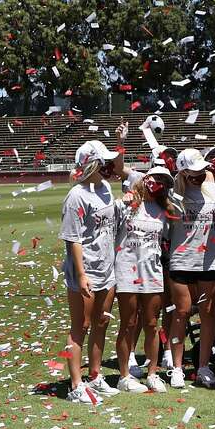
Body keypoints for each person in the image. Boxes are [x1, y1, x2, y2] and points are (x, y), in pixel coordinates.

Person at [59, 140, 123, 404]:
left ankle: (95, 377)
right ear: (93, 164)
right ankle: (76, 384)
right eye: (104, 161)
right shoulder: (76, 196)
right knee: (81, 326)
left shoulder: (105, 188)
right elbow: (73, 239)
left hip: (107, 268)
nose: (108, 165)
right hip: (85, 271)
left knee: (101, 322)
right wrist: (82, 274)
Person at [113, 165, 173, 394]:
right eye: (154, 178)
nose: (157, 183)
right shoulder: (128, 204)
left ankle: (152, 373)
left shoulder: (164, 209)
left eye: (163, 181)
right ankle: (124, 375)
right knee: (128, 324)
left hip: (152, 272)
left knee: (151, 324)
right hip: (127, 270)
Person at [167, 148, 215, 390]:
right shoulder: (171, 194)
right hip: (181, 261)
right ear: (182, 173)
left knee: (208, 314)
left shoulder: (214, 191)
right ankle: (177, 368)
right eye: (194, 173)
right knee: (180, 313)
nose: (200, 176)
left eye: (202, 171)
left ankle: (202, 366)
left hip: (208, 261)